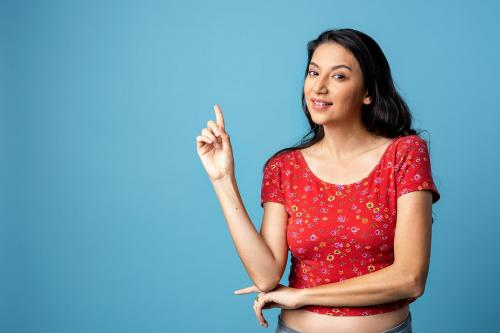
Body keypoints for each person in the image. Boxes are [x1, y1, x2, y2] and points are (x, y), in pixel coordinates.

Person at [195, 28, 440, 333]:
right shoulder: (284, 167)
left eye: (339, 76)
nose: (319, 87)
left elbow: (410, 279)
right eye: (313, 72)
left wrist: (303, 295)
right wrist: (222, 179)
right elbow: (266, 276)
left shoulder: (403, 154)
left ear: (368, 92)